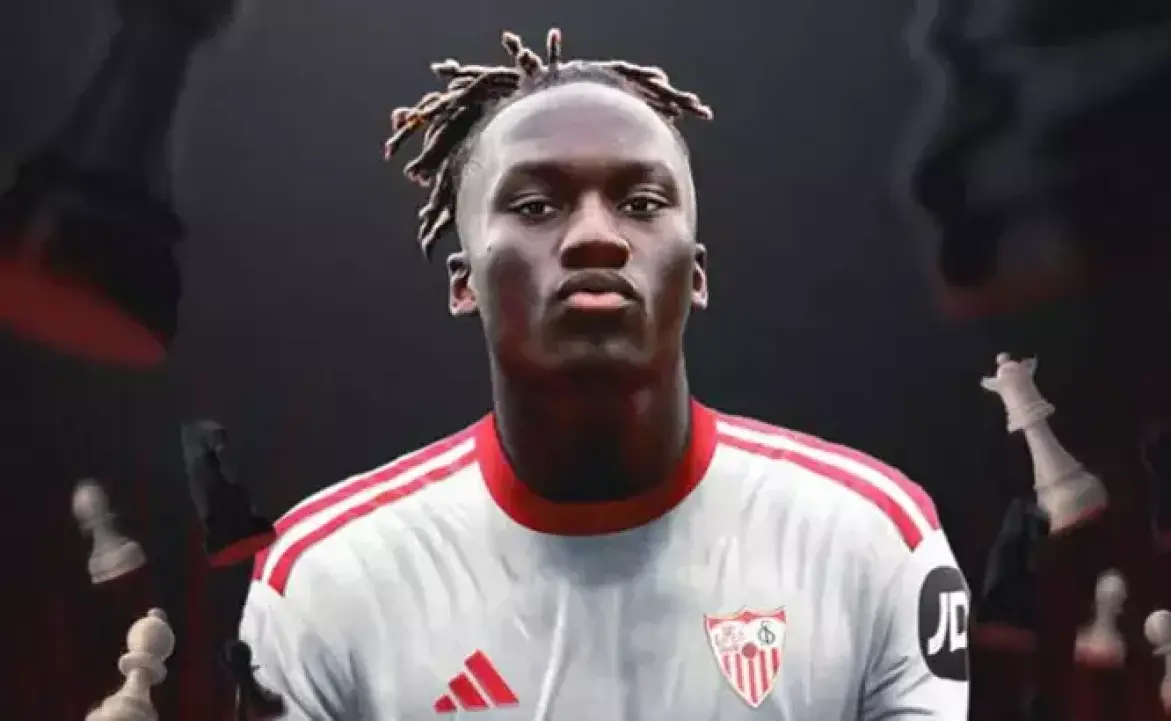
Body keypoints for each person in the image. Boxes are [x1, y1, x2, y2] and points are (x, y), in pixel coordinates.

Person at [241, 29, 970, 720]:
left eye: (642, 203)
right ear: (464, 283)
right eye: (535, 206)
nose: (595, 236)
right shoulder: (324, 581)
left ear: (697, 273)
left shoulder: (873, 542)